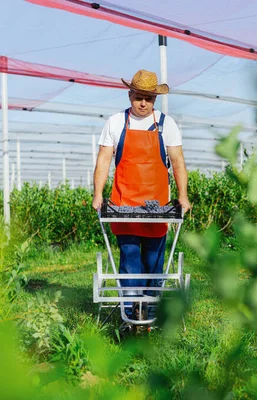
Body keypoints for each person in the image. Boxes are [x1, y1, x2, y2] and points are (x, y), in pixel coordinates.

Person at [92, 69, 191, 318]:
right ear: (129, 95)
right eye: (139, 97)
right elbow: (104, 160)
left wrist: (183, 195)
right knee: (130, 258)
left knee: (154, 260)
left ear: (155, 99)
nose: (143, 103)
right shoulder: (115, 123)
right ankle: (131, 310)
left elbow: (177, 161)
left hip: (157, 207)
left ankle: (150, 308)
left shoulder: (167, 125)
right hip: (123, 205)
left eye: (148, 98)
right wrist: (97, 194)